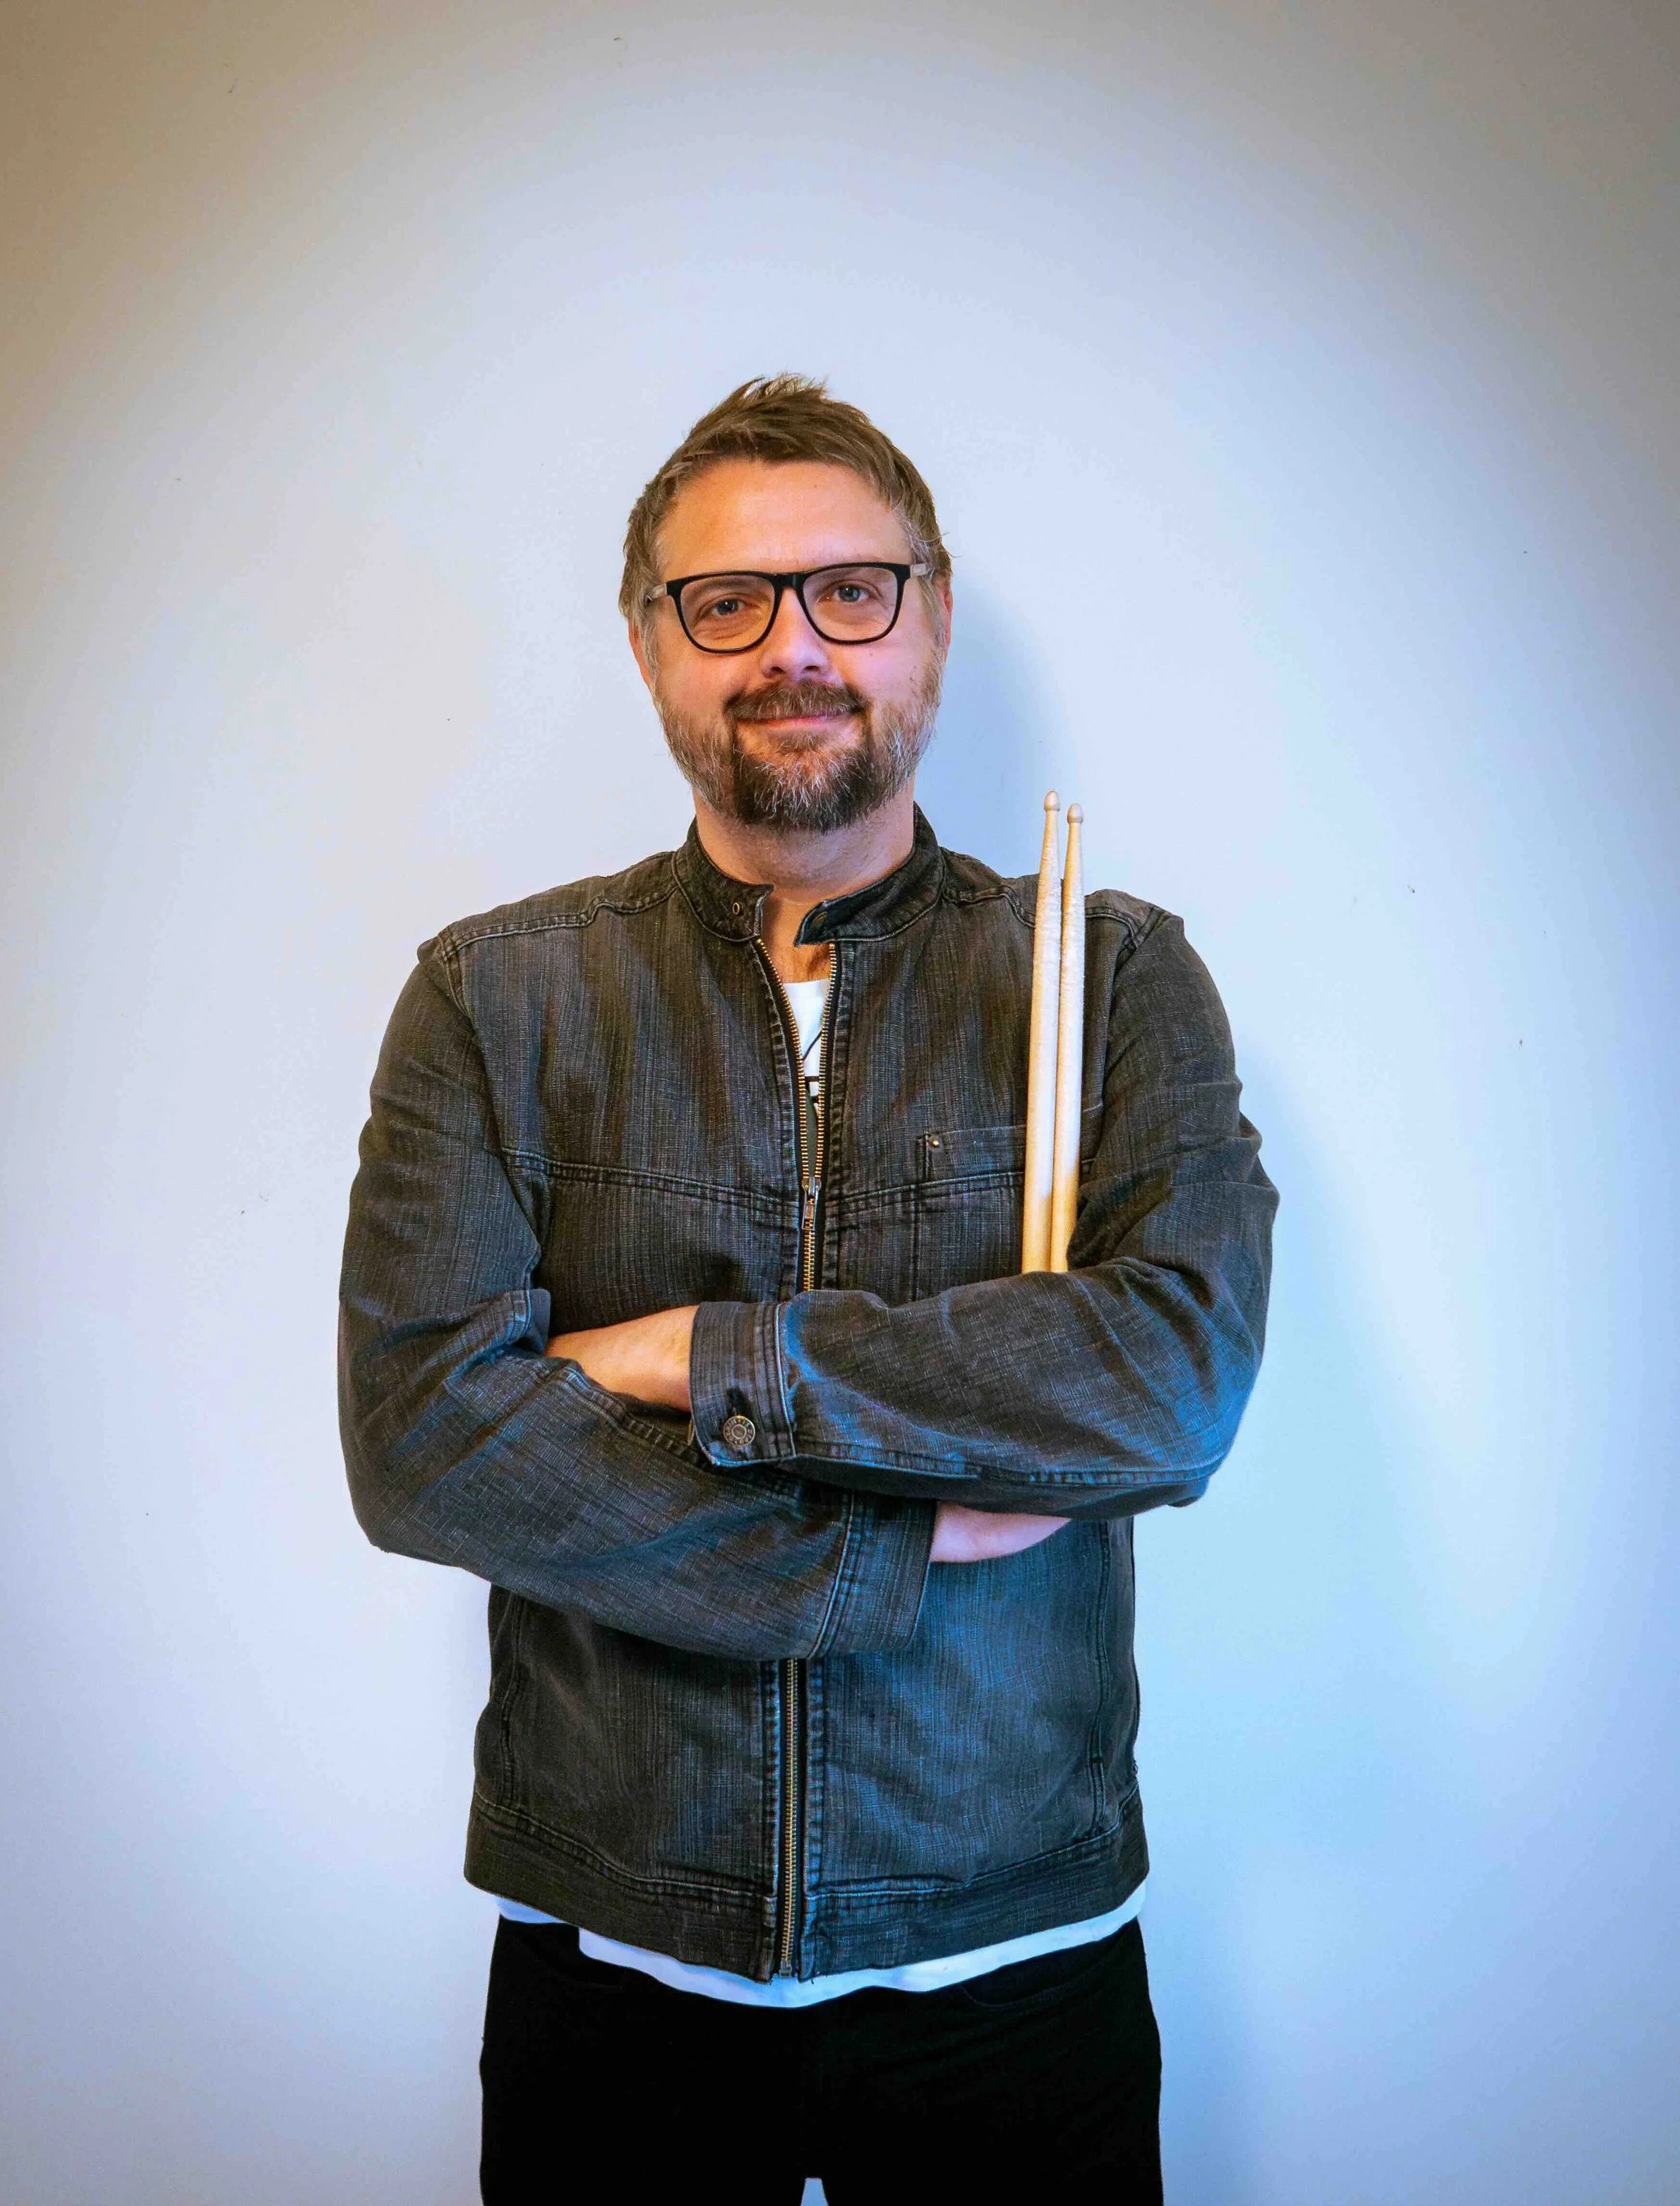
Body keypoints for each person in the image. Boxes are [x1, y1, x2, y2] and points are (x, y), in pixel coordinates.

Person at [338, 376, 1276, 2202]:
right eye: (725, 602)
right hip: (612, 1978)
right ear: (646, 643)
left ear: (928, 614)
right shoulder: (496, 1001)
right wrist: (895, 1540)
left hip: (1019, 1979)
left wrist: (699, 1355)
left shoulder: (1116, 974)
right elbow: (427, 1443)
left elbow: (1170, 1385)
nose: (792, 646)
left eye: (850, 589)